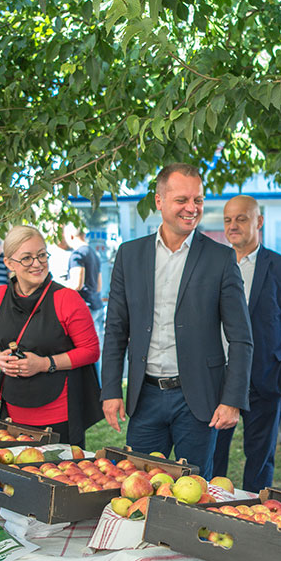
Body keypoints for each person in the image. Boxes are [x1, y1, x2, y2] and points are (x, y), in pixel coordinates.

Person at [101, 163, 253, 479]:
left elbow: (241, 337)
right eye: (182, 200)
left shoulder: (220, 258)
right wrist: (111, 390)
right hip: (145, 397)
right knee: (137, 485)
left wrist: (232, 400)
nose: (191, 208)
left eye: (198, 200)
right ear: (159, 201)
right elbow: (115, 329)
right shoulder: (129, 255)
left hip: (198, 399)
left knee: (193, 489)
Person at [212, 194, 281, 491]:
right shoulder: (213, 265)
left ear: (259, 221)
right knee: (211, 455)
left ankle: (254, 511)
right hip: (218, 379)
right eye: (228, 220)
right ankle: (208, 507)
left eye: (241, 219)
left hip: (266, 379)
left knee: (259, 459)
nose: (233, 225)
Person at [0, 225, 103, 447]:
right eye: (27, 258)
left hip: (58, 414)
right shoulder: (0, 295)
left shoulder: (67, 298)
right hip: (12, 411)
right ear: (9, 263)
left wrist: (44, 364)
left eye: (41, 255)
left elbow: (90, 351)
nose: (37, 263)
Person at [65, 224, 105, 350]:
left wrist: (59, 285)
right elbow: (99, 286)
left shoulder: (77, 255)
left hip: (85, 308)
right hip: (97, 305)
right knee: (96, 349)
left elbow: (77, 284)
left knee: (85, 350)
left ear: (71, 236)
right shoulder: (94, 253)